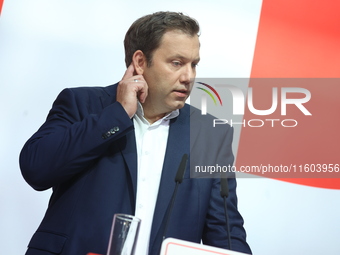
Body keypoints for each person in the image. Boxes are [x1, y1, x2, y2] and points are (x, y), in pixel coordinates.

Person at [20, 11, 251, 255]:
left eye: (194, 64)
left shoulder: (209, 135)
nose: (189, 77)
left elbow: (225, 233)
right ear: (140, 62)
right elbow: (36, 169)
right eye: (176, 63)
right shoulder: (83, 104)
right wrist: (118, 114)